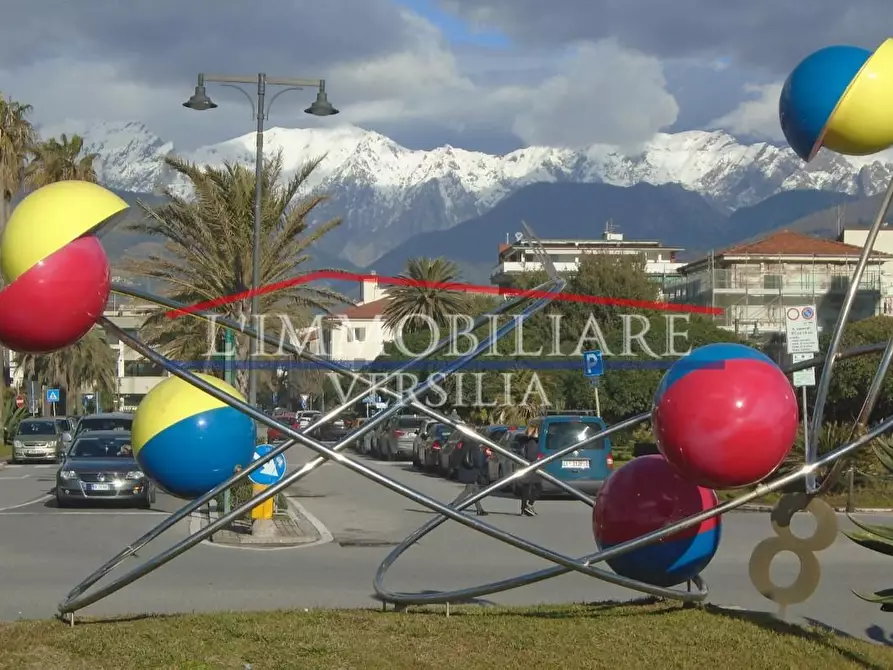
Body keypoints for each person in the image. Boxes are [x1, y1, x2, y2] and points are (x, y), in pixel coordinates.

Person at [454, 440, 488, 516]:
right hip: (472, 471)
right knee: (469, 490)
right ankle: (454, 505)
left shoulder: (466, 444)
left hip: (466, 470)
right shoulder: (475, 447)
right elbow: (478, 461)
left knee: (475, 491)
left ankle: (480, 509)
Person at [519, 422, 542, 516]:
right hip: (532, 466)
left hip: (525, 467)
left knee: (526, 487)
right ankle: (529, 505)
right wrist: (538, 459)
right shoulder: (532, 441)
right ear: (535, 431)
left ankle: (524, 508)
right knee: (538, 487)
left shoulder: (526, 440)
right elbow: (531, 455)